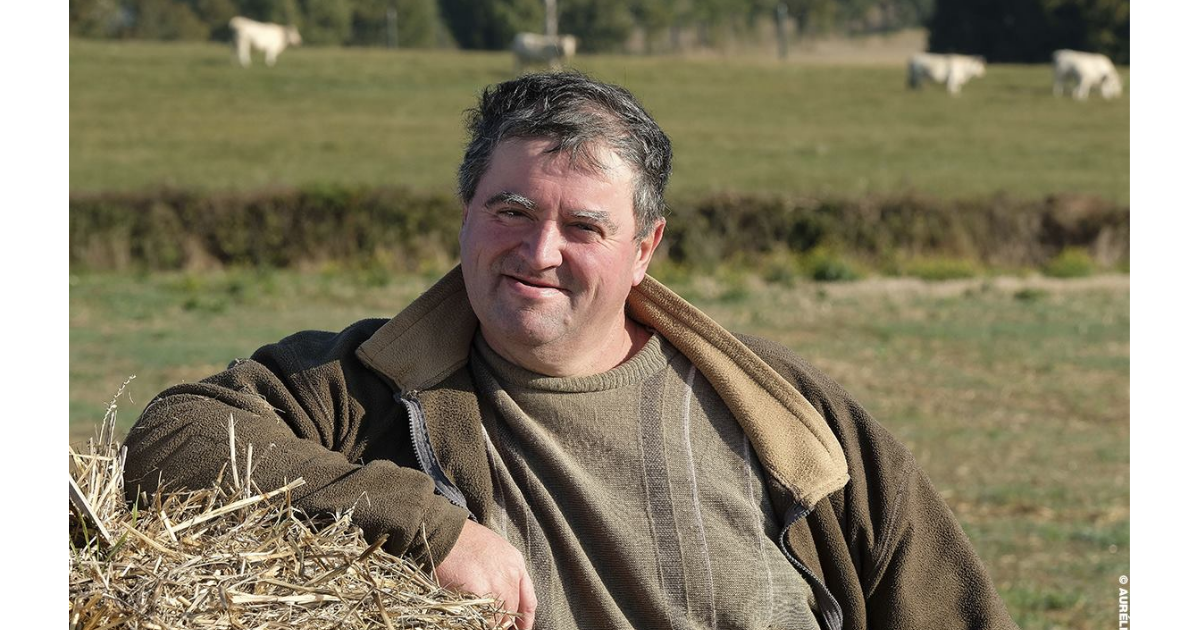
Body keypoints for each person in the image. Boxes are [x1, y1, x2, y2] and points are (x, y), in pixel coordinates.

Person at [122, 71, 1016, 630]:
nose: (539, 253)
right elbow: (172, 440)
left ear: (644, 249)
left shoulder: (790, 419)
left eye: (584, 225)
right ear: (466, 215)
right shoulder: (362, 384)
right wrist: (428, 529)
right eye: (511, 211)